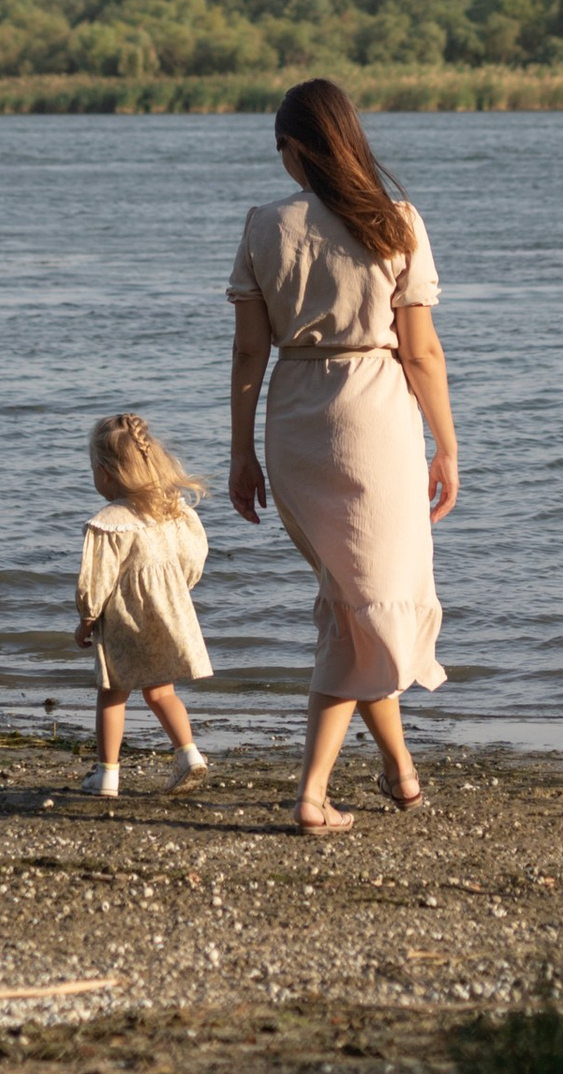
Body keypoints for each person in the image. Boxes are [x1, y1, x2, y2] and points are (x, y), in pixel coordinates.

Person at [226, 76, 459, 836]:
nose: (282, 162)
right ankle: (312, 795)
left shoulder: (265, 225)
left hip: (295, 422)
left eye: (282, 148)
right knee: (360, 607)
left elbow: (247, 357)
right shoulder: (396, 223)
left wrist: (240, 452)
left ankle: (400, 771)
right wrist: (447, 447)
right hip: (375, 420)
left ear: (299, 147)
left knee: (354, 605)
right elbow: (421, 352)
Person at [73, 411, 213, 802]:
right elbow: (193, 556)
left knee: (113, 693)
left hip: (123, 619)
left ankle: (107, 775)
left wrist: (86, 618)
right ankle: (188, 753)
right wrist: (177, 591)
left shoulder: (109, 522)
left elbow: (97, 579)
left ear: (106, 473)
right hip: (165, 613)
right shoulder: (171, 512)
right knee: (161, 691)